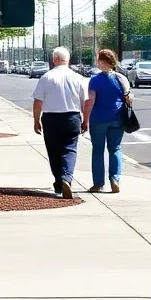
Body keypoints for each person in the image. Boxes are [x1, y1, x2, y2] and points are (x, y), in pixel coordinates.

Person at [32, 46, 92, 199]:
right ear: (68, 59)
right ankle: (67, 177)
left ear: (54, 59)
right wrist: (85, 121)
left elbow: (38, 101)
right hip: (72, 117)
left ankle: (59, 180)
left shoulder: (46, 77)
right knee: (70, 148)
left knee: (53, 151)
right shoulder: (77, 78)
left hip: (51, 117)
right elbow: (85, 102)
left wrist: (36, 120)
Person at [88, 49, 133, 194]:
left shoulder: (95, 80)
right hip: (117, 118)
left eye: (98, 60)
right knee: (115, 148)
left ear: (101, 62)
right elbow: (128, 97)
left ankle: (98, 183)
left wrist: (84, 118)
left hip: (98, 119)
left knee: (98, 150)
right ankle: (115, 178)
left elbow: (91, 100)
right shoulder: (121, 78)